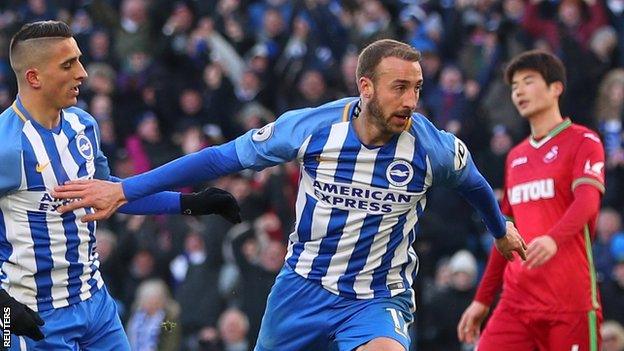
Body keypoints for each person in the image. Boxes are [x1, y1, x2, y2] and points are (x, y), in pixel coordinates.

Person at [54, 38, 527, 351]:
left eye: (417, 89)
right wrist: (124, 189)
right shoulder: (312, 128)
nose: (410, 101)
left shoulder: (432, 149)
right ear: (365, 87)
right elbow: (218, 159)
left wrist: (499, 228)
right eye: (399, 88)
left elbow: (477, 186)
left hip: (378, 295)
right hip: (300, 288)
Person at [0, 21, 240, 350]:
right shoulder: (7, 147)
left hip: (96, 304)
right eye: (68, 64)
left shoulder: (83, 125)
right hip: (34, 314)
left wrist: (187, 203)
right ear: (33, 77)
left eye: (79, 60)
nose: (82, 73)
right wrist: (2, 306)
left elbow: (110, 193)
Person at [457, 50, 605, 350]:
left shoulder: (584, 141)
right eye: (514, 86)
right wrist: (483, 299)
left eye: (528, 81)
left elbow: (587, 203)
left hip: (569, 303)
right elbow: (505, 233)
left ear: (556, 88)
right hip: (516, 303)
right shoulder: (515, 157)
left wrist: (553, 239)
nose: (519, 91)